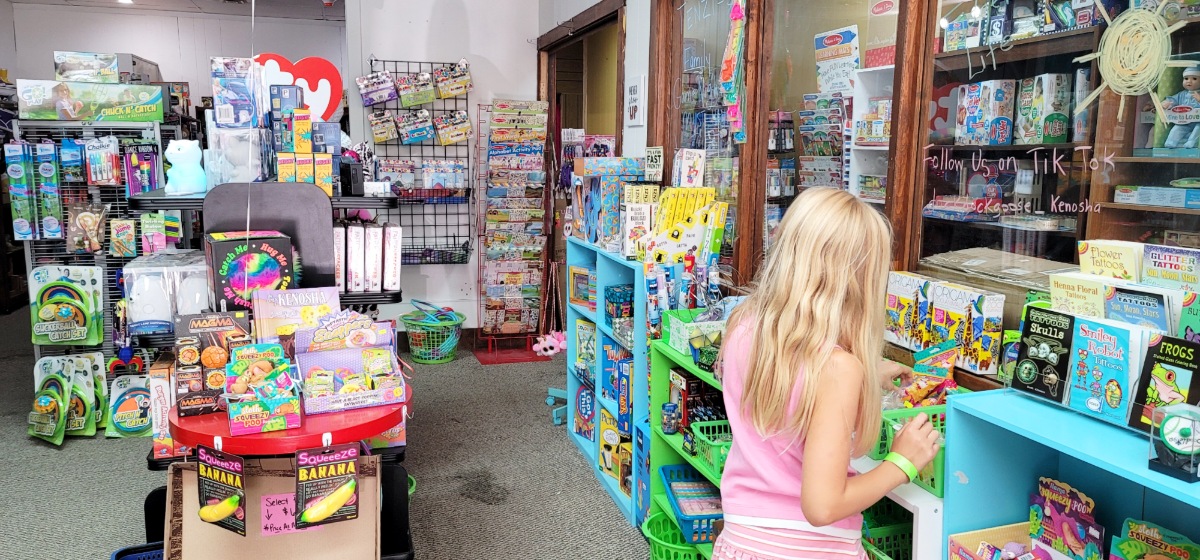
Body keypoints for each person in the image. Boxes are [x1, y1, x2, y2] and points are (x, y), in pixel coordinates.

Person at [713, 187, 941, 560]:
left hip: (741, 542)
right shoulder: (837, 369)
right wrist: (902, 462)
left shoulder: (744, 324)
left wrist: (866, 378)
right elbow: (822, 507)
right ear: (859, 279)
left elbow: (788, 392)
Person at [1162, 66, 1200, 149]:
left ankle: (1191, 142)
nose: (1189, 81)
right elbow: (1173, 100)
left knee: (1198, 128)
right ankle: (1171, 141)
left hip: (1198, 121)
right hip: (1184, 120)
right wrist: (1168, 103)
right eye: (1186, 78)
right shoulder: (1182, 94)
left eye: (1194, 78)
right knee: (1177, 128)